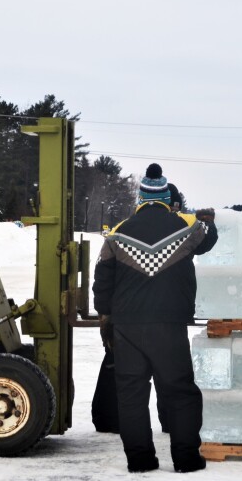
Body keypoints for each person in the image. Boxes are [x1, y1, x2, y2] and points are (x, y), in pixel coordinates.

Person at [93, 163, 217, 473]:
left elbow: (102, 281)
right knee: (180, 391)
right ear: (165, 197)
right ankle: (187, 459)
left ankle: (140, 460)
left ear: (140, 199)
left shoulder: (117, 233)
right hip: (168, 324)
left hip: (127, 326)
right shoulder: (186, 227)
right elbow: (207, 239)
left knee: (132, 395)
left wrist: (106, 317)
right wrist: (208, 220)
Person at [91, 168, 183, 434]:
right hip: (162, 315)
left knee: (122, 369)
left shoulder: (123, 230)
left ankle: (111, 418)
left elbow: (104, 275)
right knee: (168, 371)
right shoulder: (179, 233)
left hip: (127, 315)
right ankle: (170, 421)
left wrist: (105, 313)